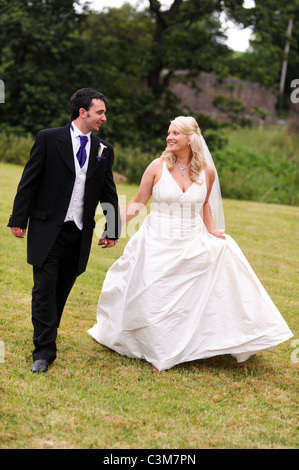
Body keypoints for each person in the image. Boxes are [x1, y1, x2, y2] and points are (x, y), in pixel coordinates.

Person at [88, 116, 293, 372]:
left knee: (220, 261)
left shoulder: (206, 171)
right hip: (157, 239)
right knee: (155, 292)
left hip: (191, 237)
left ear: (190, 138)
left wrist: (213, 231)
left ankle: (193, 342)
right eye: (169, 132)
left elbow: (204, 204)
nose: (169, 137)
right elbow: (139, 202)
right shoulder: (157, 166)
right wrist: (113, 229)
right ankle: (155, 348)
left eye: (175, 133)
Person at [8, 88, 121, 373]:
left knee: (60, 290)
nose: (104, 118)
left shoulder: (103, 150)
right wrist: (18, 219)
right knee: (44, 290)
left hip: (79, 232)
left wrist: (113, 227)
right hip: (47, 228)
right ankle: (43, 351)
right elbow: (29, 180)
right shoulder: (48, 138)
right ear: (83, 112)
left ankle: (47, 331)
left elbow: (108, 193)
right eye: (100, 112)